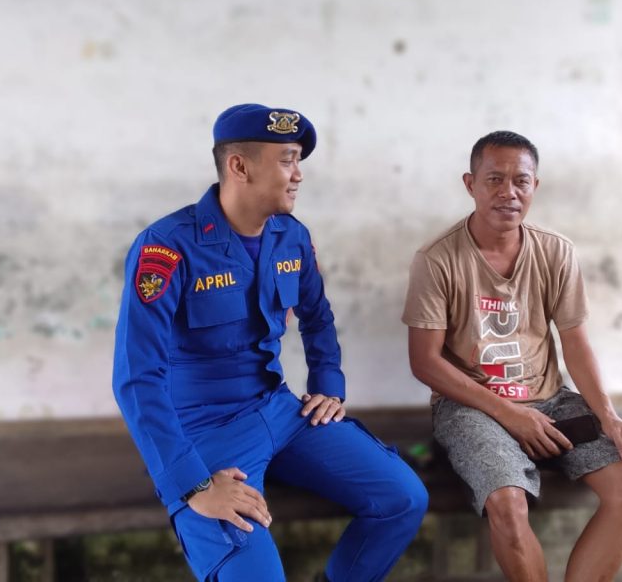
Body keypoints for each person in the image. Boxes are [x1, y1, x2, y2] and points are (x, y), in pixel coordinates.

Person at [113, 104, 427, 582]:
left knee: (403, 498)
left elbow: (318, 317)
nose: (298, 174)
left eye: (298, 160)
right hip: (206, 431)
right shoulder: (168, 247)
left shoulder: (290, 237)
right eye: (287, 160)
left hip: (280, 412)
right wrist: (193, 484)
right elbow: (137, 380)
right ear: (239, 166)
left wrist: (328, 384)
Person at [403, 130, 622, 582]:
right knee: (507, 503)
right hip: (472, 409)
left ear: (535, 186)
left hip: (552, 402)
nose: (509, 192)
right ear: (470, 184)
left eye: (521, 181)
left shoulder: (556, 251)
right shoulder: (437, 259)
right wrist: (511, 414)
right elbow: (425, 362)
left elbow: (574, 341)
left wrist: (609, 415)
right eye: (494, 179)